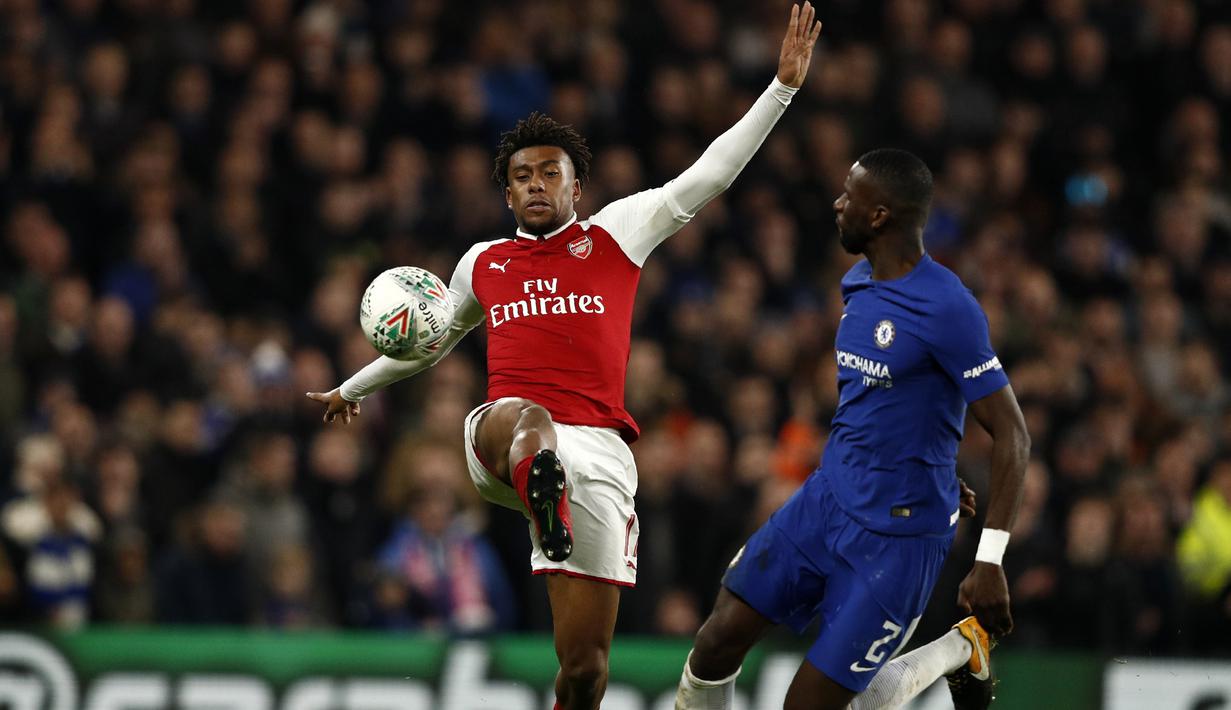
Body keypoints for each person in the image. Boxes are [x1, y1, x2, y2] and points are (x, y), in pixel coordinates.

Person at [306, 4, 824, 709]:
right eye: (521, 177)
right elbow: (428, 347)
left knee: (584, 672)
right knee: (527, 421)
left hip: (599, 456)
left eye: (549, 173)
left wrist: (781, 89)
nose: (534, 184)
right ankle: (537, 480)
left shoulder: (616, 234)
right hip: (508, 433)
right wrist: (352, 386)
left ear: (576, 186)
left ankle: (551, 508)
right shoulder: (483, 263)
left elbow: (711, 175)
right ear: (507, 192)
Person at [674, 150, 1030, 710]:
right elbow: (892, 402)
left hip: (898, 543)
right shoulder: (858, 281)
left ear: (881, 215)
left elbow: (1013, 434)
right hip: (825, 502)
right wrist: (937, 466)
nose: (838, 204)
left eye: (849, 195)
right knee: (714, 643)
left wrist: (989, 560)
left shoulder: (948, 307)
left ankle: (961, 650)